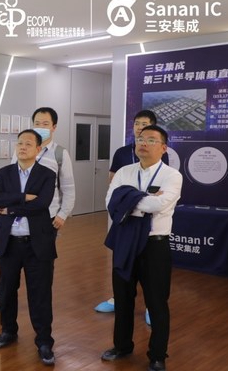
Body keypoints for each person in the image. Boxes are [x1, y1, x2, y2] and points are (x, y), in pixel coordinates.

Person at [101, 125, 182, 371]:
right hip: (125, 242)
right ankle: (122, 346)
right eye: (140, 138)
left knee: (157, 302)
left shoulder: (172, 176)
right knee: (123, 298)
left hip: (154, 246)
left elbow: (160, 205)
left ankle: (157, 355)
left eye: (151, 139)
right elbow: (111, 203)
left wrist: (129, 201)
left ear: (163, 147)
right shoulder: (124, 172)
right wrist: (142, 202)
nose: (143, 143)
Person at [0, 106, 75, 315]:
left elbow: (68, 189)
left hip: (44, 219)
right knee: (8, 271)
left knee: (41, 272)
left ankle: (40, 319)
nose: (40, 126)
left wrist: (62, 215)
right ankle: (1, 300)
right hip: (15, 221)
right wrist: (14, 205)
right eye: (37, 123)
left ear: (54, 127)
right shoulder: (21, 151)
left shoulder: (60, 153)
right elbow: (10, 188)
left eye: (45, 124)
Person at [0, 129, 57, 366]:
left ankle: (44, 341)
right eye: (19, 143)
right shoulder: (4, 172)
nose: (23, 147)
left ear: (38, 149)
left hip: (37, 243)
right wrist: (23, 197)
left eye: (28, 144)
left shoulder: (47, 174)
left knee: (40, 293)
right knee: (7, 290)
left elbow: (42, 203)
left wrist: (11, 208)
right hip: (9, 242)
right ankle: (8, 331)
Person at [95, 109, 169, 317]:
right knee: (122, 267)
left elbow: (159, 192)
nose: (139, 128)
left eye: (144, 124)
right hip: (125, 220)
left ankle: (150, 307)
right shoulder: (122, 152)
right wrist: (135, 197)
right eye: (137, 123)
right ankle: (117, 299)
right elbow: (113, 183)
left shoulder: (160, 154)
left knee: (150, 273)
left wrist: (128, 196)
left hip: (148, 225)